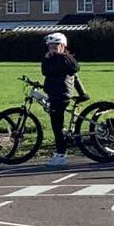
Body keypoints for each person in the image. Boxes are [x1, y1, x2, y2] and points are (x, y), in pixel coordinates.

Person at [40, 32, 82, 166]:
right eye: (50, 46)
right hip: (56, 94)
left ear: (62, 46)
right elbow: (46, 71)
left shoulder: (62, 59)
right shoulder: (59, 58)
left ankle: (61, 155)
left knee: (56, 126)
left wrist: (50, 58)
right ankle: (61, 151)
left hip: (60, 95)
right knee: (58, 125)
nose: (52, 49)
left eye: (55, 46)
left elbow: (46, 71)